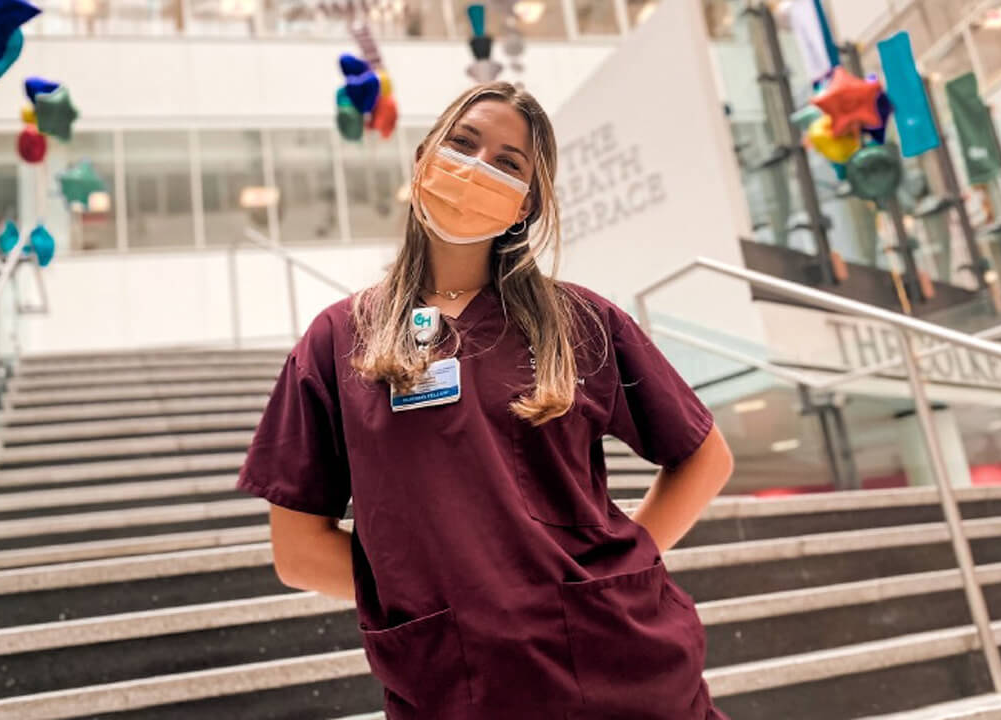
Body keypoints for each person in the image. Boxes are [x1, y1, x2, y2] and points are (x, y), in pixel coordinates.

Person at [237, 81, 734, 720]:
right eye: (463, 145)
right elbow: (298, 550)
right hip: (459, 682)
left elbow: (704, 456)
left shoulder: (579, 321)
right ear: (423, 160)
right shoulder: (339, 340)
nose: (476, 169)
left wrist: (614, 576)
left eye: (507, 163)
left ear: (527, 203)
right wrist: (428, 596)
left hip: (625, 665)